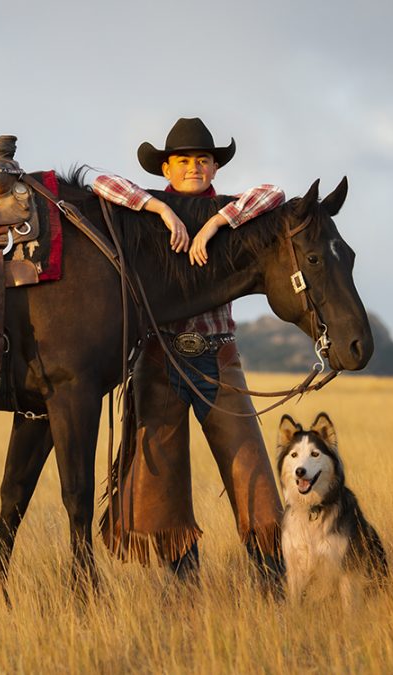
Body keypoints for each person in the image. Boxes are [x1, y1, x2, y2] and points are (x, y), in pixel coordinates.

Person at [94, 117, 286, 589]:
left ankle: (272, 582)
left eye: (203, 160)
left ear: (215, 166)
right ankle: (186, 588)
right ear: (167, 166)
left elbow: (273, 193)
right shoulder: (146, 209)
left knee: (251, 468)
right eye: (183, 160)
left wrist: (216, 223)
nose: (194, 167)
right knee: (162, 480)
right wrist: (162, 210)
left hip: (218, 356)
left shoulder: (229, 208)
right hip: (160, 359)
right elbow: (102, 182)